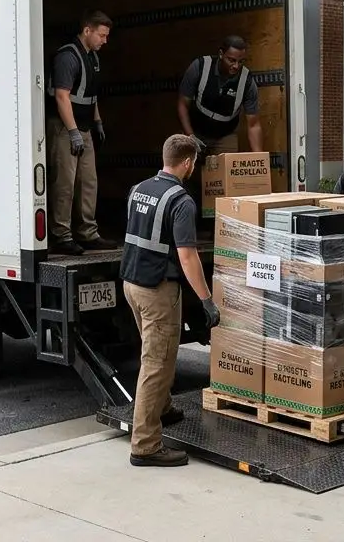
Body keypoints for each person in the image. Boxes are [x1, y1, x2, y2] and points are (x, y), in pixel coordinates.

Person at [120, 134, 222, 468]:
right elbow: (188, 256)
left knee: (153, 352)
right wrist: (206, 300)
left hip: (131, 283)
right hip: (157, 290)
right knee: (157, 362)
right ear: (189, 163)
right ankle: (146, 445)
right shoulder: (182, 201)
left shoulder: (138, 188)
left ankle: (163, 408)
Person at [47, 10, 116, 256]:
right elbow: (62, 96)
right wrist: (73, 131)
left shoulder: (93, 57)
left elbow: (90, 95)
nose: (104, 41)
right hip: (66, 128)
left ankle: (87, 233)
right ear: (87, 30)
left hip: (84, 126)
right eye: (101, 35)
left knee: (88, 182)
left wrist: (97, 122)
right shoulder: (68, 57)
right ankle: (62, 235)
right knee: (65, 183)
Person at [177, 35, 262, 155]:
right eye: (231, 60)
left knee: (227, 170)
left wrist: (260, 158)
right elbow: (183, 104)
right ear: (221, 54)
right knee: (187, 169)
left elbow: (253, 124)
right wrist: (190, 136)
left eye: (241, 61)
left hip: (225, 135)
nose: (236, 66)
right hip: (195, 130)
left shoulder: (247, 81)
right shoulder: (200, 67)